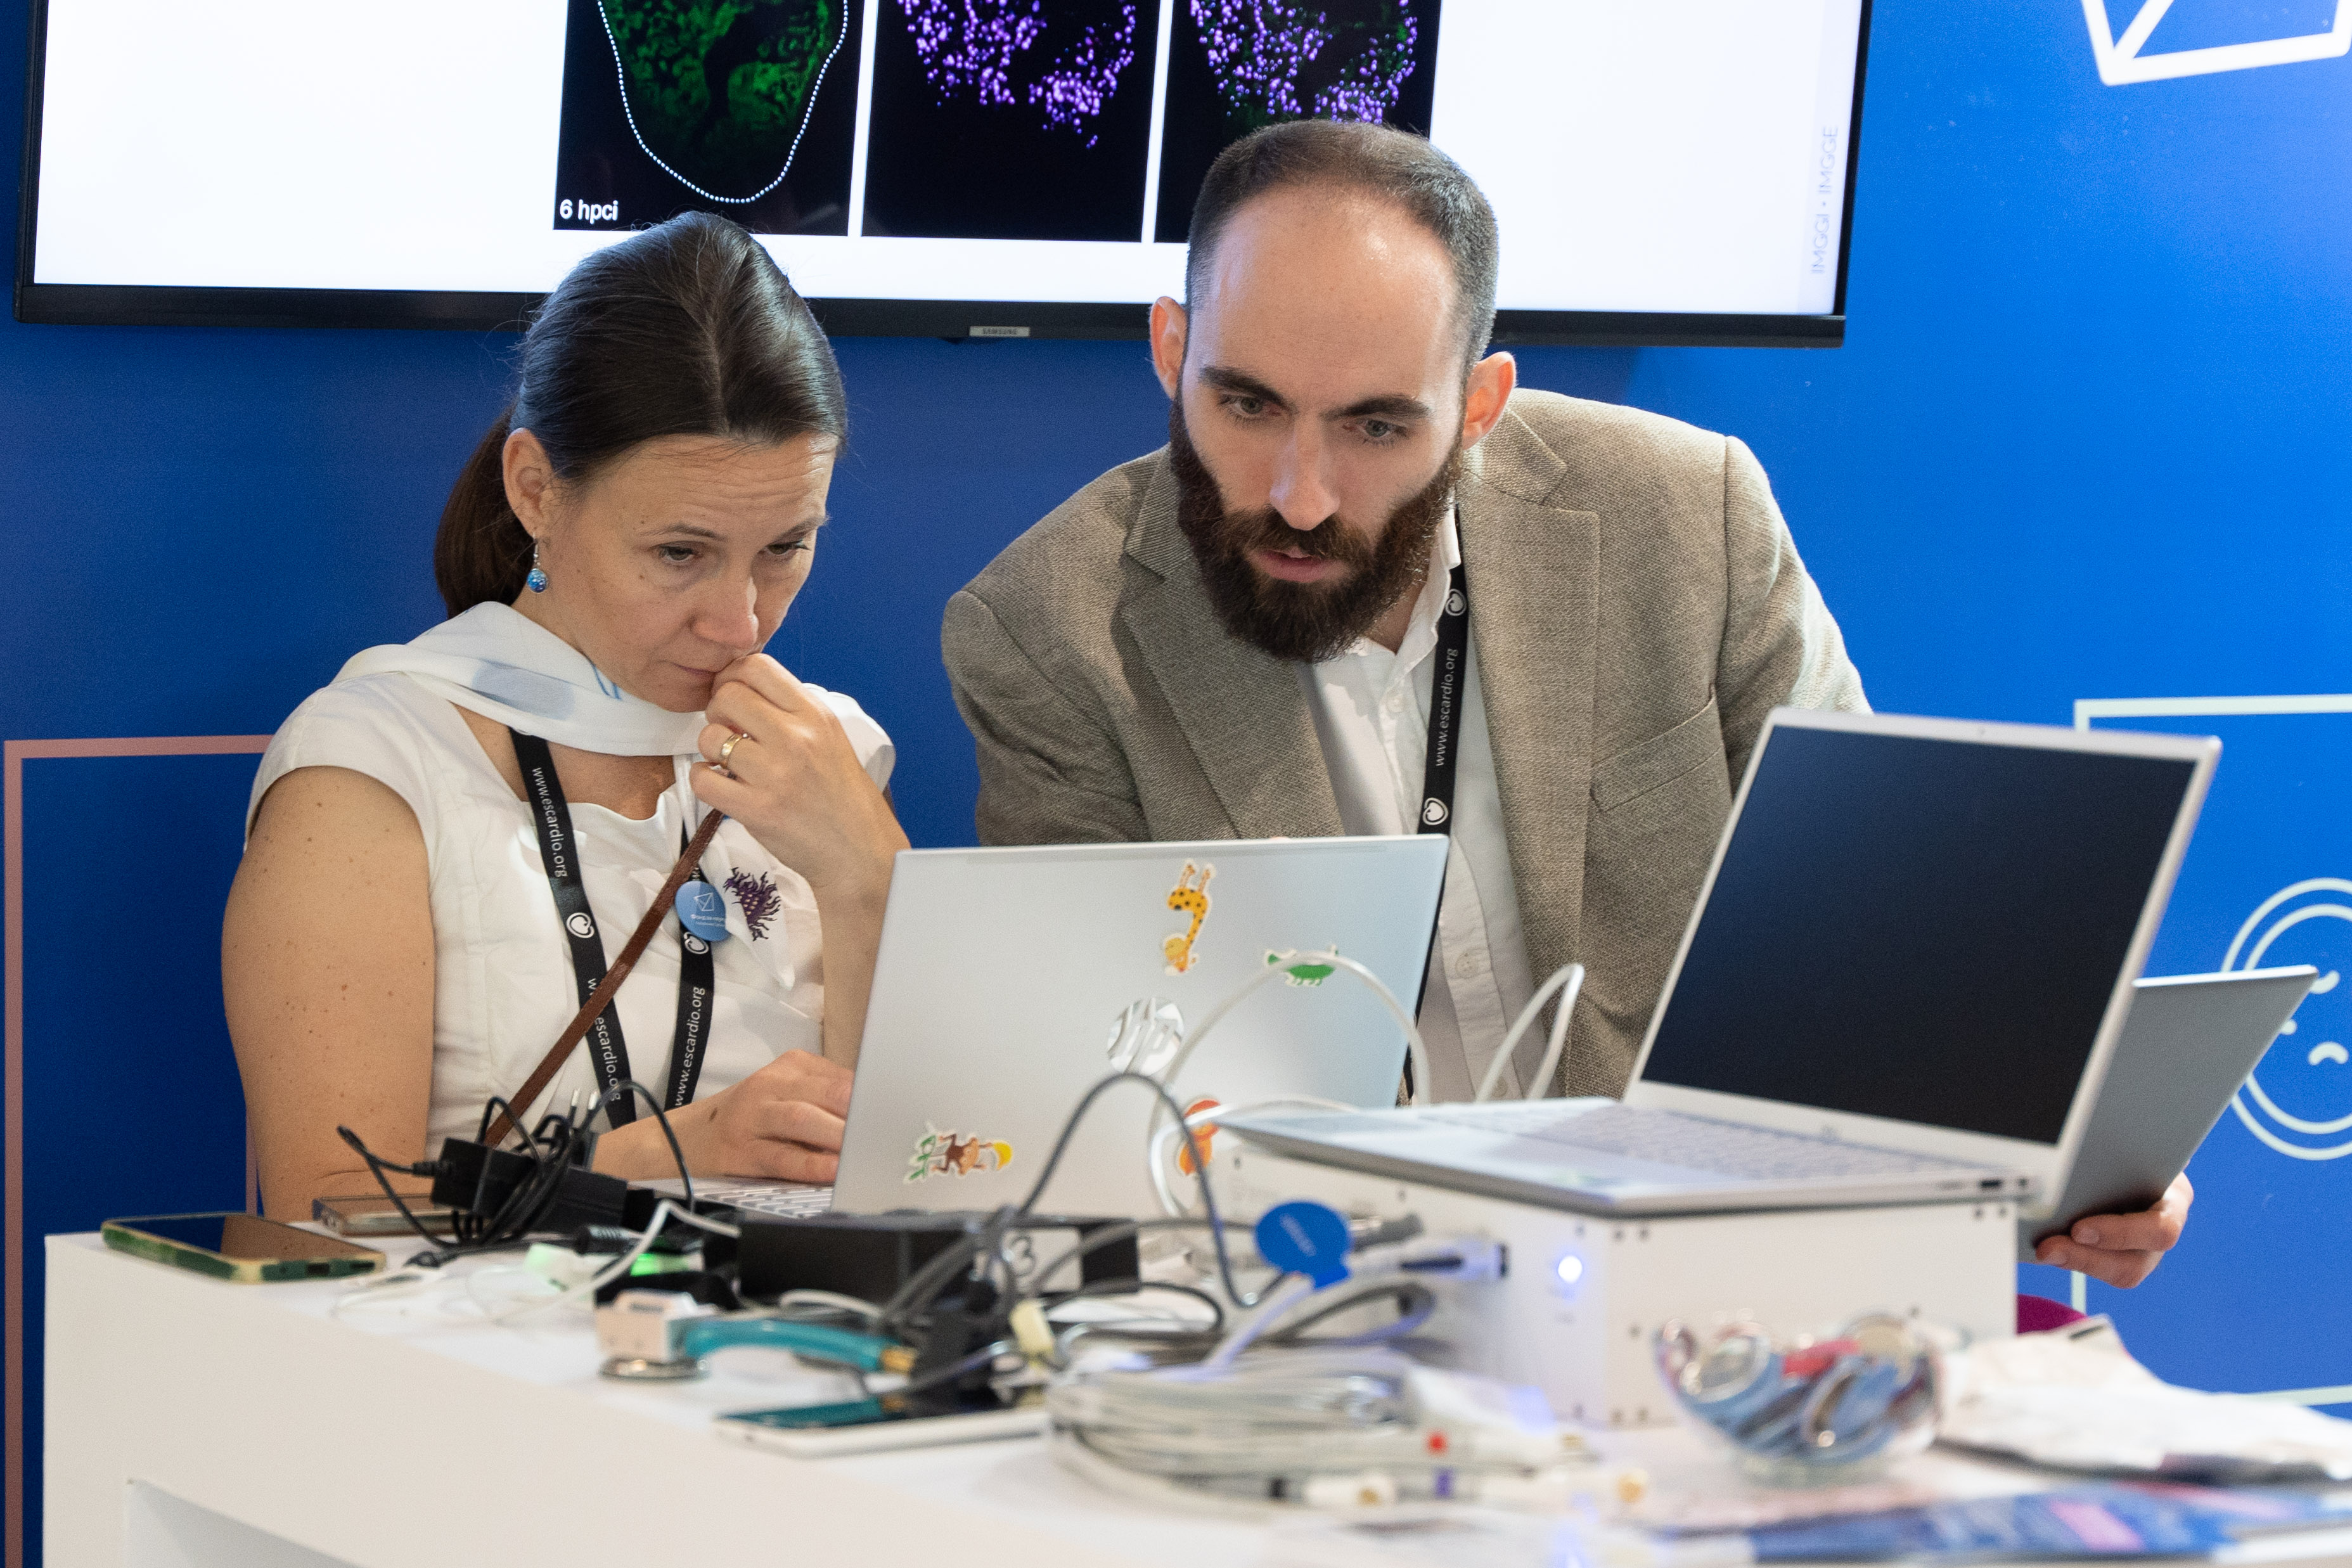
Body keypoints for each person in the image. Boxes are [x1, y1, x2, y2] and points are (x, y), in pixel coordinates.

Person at [941, 119, 2188, 1290]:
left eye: (1375, 427)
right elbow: (1105, 1105)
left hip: (1717, 1274)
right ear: (1172, 351)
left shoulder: (1686, 515)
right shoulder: (1048, 631)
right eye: (1247, 404)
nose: (1299, 495)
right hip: (1329, 1304)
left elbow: (1882, 919)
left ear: (1477, 407)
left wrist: (2056, 1136)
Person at [225, 214, 902, 1218]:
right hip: (479, 1322)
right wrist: (669, 1154)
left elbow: (946, 1165)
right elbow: (321, 1215)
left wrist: (867, 876)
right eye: (680, 553)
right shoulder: (376, 766)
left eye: (785, 546)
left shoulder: (829, 751)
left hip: (801, 1314)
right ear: (537, 489)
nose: (741, 621)